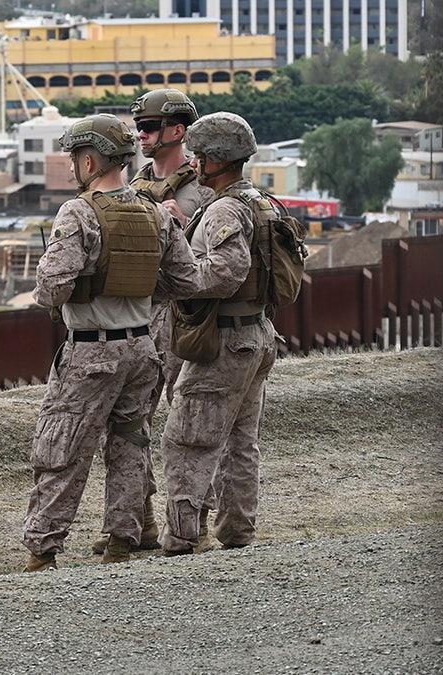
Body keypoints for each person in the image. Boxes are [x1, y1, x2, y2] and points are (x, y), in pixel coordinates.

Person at [21, 113, 201, 572]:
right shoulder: (156, 212)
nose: (71, 168)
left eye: (73, 159)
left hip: (91, 349)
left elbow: (51, 288)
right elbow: (185, 280)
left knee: (62, 446)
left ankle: (43, 548)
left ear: (88, 160)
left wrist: (84, 286)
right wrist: (135, 289)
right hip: (143, 348)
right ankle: (121, 541)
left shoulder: (79, 212)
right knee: (129, 446)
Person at [89, 88, 217, 557]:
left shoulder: (204, 188)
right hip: (139, 315)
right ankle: (136, 517)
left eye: (149, 127)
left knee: (190, 421)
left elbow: (218, 263)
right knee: (130, 421)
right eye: (138, 127)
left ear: (177, 131)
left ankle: (193, 519)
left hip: (187, 317)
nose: (141, 135)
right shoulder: (134, 183)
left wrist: (186, 224)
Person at [157, 112, 279, 556]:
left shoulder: (225, 208)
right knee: (239, 442)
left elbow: (227, 273)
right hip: (256, 334)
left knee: (187, 439)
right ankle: (237, 531)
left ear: (217, 160)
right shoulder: (259, 201)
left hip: (227, 340)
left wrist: (174, 276)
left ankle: (182, 538)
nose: (192, 161)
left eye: (199, 155)